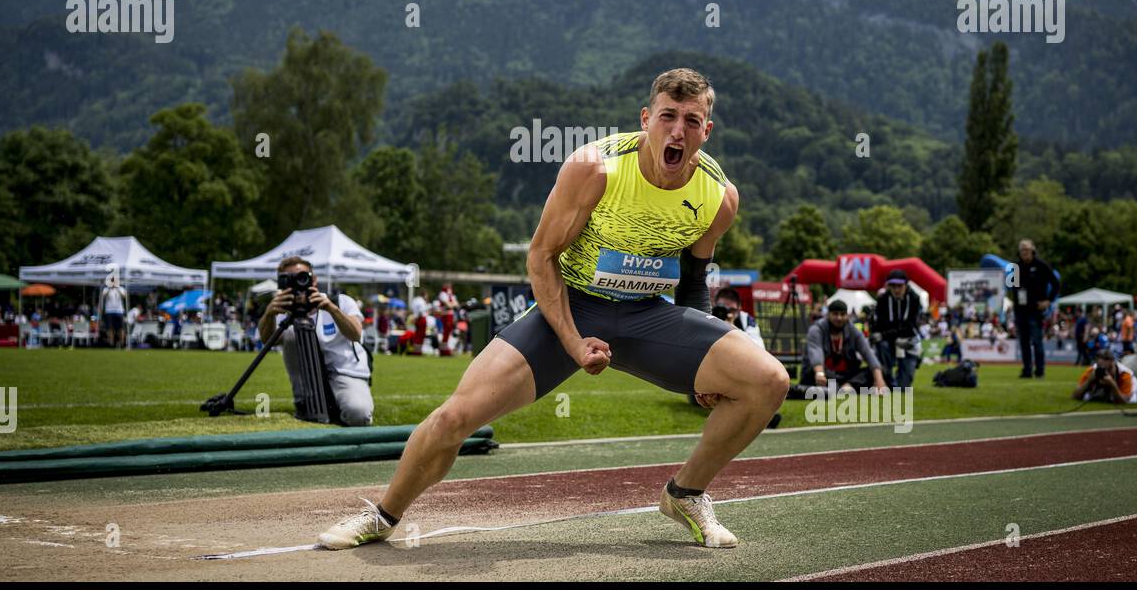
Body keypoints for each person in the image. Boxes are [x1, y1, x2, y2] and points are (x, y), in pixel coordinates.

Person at [316, 67, 788, 550]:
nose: (677, 131)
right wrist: (571, 341)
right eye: (667, 116)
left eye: (692, 121)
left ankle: (685, 493)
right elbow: (541, 257)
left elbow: (693, 279)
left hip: (648, 316)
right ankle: (384, 514)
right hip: (572, 306)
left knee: (768, 382)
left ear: (706, 131)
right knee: (456, 418)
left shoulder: (719, 197)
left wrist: (702, 367)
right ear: (646, 119)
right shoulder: (595, 167)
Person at [258, 256, 373, 426]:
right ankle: (303, 400)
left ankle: (336, 403)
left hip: (345, 371)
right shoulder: (283, 307)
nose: (297, 283)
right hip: (307, 378)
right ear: (281, 283)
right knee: (291, 334)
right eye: (289, 279)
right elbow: (268, 341)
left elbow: (356, 334)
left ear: (314, 279)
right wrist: (269, 314)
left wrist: (331, 309)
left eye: (302, 276)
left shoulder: (340, 301)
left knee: (358, 414)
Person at [803, 299, 888, 396]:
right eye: (835, 314)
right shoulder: (817, 329)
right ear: (828, 315)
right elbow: (815, 352)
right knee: (811, 372)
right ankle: (844, 389)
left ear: (847, 315)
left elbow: (868, 353)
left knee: (879, 371)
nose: (839, 318)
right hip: (823, 373)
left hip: (845, 375)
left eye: (842, 314)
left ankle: (847, 387)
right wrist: (820, 373)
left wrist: (879, 381)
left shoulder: (853, 330)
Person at [1010, 239, 1059, 378]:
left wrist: (1048, 301)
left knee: (1037, 341)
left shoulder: (1041, 266)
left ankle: (1040, 371)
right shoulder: (1015, 267)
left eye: (1027, 249)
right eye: (1021, 250)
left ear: (1033, 250)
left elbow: (1056, 284)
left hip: (1036, 310)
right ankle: (1027, 370)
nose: (1024, 252)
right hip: (1020, 311)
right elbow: (1011, 288)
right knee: (1024, 342)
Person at [872, 269, 922, 388]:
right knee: (881, 344)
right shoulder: (882, 300)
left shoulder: (914, 299)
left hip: (908, 339)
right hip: (888, 341)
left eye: (900, 286)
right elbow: (879, 325)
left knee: (903, 388)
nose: (896, 289)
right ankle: (886, 376)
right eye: (892, 286)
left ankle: (914, 360)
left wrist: (887, 335)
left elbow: (911, 325)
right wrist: (887, 336)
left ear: (906, 285)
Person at [1073, 348, 1137, 405]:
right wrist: (1089, 381)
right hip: (1111, 387)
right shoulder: (1093, 371)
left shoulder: (1124, 374)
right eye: (1100, 367)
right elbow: (1075, 396)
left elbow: (1123, 401)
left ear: (1112, 362)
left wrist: (1112, 385)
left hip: (1132, 387)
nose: (1103, 371)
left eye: (1105, 368)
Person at [99, 279, 128, 348]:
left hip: (119, 311)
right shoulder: (106, 289)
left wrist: (117, 289)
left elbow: (125, 296)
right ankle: (111, 343)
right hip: (109, 311)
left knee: (121, 328)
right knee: (110, 328)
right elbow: (103, 297)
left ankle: (122, 343)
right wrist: (110, 288)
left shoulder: (121, 288)